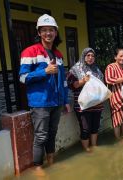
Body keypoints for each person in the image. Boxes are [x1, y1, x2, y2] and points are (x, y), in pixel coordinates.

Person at [19, 14, 70, 175]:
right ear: (39, 32)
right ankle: (38, 167)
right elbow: (22, 77)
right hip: (40, 102)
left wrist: (66, 99)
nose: (48, 33)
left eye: (51, 30)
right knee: (41, 136)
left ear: (56, 33)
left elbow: (63, 81)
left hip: (57, 101)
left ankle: (51, 162)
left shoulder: (58, 54)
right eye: (45, 30)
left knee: (52, 133)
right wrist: (44, 71)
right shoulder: (30, 52)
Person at [67, 48, 104, 152]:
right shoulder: (75, 69)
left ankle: (94, 146)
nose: (90, 58)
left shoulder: (97, 70)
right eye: (88, 55)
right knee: (85, 128)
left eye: (92, 56)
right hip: (82, 105)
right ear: (83, 56)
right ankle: (87, 150)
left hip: (96, 104)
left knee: (95, 127)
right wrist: (83, 80)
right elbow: (72, 85)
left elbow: (101, 84)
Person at [105, 48, 123, 140]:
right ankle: (118, 139)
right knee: (117, 120)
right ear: (115, 57)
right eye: (121, 56)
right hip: (116, 98)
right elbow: (109, 79)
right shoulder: (110, 67)